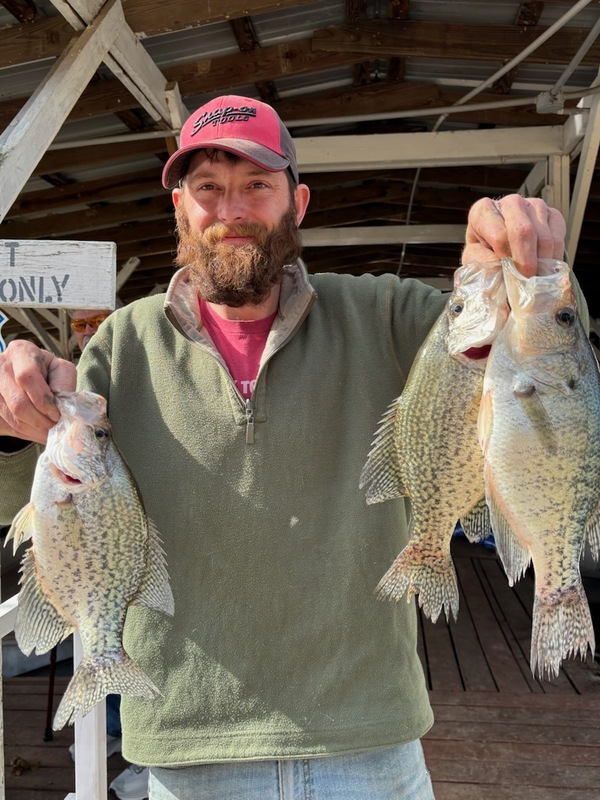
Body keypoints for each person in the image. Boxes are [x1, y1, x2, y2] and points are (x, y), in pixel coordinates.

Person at [0, 95, 577, 800]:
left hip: (371, 739)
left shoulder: (388, 314)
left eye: (256, 185)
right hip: (189, 746)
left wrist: (502, 268)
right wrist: (16, 417)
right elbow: (42, 499)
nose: (231, 209)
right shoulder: (120, 345)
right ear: (180, 207)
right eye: (207, 188)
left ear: (296, 201)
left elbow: (523, 367)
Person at [68, 306, 151, 800]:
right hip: (86, 549)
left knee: (133, 638)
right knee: (109, 640)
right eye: (79, 325)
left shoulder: (134, 368)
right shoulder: (72, 392)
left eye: (98, 320)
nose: (89, 332)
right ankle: (116, 731)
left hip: (129, 545)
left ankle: (135, 745)